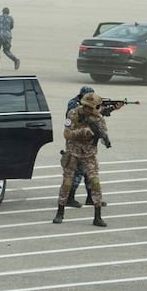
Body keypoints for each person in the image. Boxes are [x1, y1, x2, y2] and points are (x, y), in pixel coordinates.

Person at [53, 92, 109, 227]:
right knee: (67, 183)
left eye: (92, 108)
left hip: (89, 154)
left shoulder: (99, 119)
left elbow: (103, 134)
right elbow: (66, 133)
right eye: (87, 107)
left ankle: (97, 216)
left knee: (95, 183)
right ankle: (60, 212)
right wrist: (83, 132)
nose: (89, 110)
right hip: (73, 153)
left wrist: (103, 138)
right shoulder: (73, 114)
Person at [63, 86, 122, 208]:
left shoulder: (88, 107)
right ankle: (69, 197)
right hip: (76, 143)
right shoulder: (73, 105)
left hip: (88, 145)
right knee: (77, 172)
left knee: (90, 173)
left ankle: (91, 197)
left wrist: (111, 109)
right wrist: (100, 110)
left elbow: (96, 116)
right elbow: (87, 117)